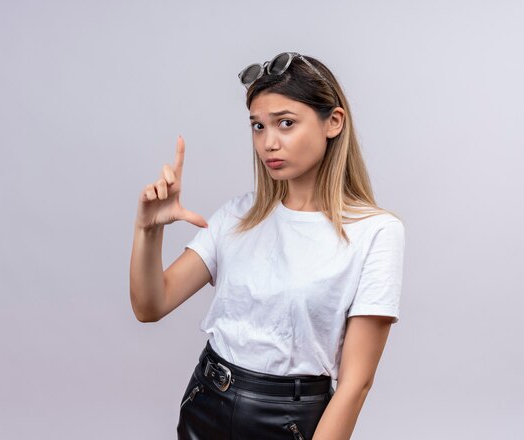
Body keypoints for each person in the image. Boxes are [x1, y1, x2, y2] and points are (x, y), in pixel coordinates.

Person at [130, 51, 406, 440]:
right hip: (205, 401)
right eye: (258, 126)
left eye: (286, 123)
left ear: (334, 122)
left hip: (289, 422)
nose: (268, 143)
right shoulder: (238, 215)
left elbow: (354, 385)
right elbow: (150, 305)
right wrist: (147, 229)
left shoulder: (375, 232)